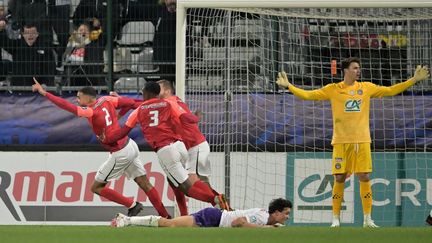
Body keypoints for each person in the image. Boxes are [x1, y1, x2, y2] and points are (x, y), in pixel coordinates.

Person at [276, 57, 430, 228]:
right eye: (355, 68)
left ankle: (367, 219)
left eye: (359, 68)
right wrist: (289, 86)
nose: (358, 70)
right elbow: (308, 95)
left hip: (362, 141)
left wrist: (414, 80)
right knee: (339, 178)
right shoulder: (333, 89)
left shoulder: (366, 87)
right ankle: (335, 219)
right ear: (346, 70)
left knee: (364, 176)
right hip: (341, 142)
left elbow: (391, 90)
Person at [31, 79, 171, 218]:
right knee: (144, 183)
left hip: (120, 152)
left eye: (79, 97)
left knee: (96, 187)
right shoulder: (107, 100)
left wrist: (45, 93)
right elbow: (131, 103)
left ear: (88, 97)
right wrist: (152, 104)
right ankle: (165, 217)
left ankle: (132, 205)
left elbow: (68, 106)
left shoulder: (91, 111)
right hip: (130, 145)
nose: (77, 100)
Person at [105, 82, 231, 211]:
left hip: (175, 149)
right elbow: (186, 118)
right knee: (174, 182)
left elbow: (124, 128)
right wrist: (196, 117)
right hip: (181, 146)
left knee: (188, 187)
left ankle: (216, 200)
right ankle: (186, 214)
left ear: (148, 93)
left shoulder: (142, 109)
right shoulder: (170, 103)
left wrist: (108, 138)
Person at [158, 79, 220, 215]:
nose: (157, 91)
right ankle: (219, 207)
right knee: (178, 181)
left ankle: (219, 202)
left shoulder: (169, 102)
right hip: (189, 148)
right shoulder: (175, 101)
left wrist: (195, 118)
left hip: (195, 146)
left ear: (167, 91)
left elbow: (186, 118)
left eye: (160, 89)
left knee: (190, 182)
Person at [111, 197, 292, 228]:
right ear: (275, 213)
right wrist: (266, 230)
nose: (287, 217)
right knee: (171, 224)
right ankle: (127, 221)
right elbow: (239, 223)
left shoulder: (268, 220)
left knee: (171, 224)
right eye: (285, 213)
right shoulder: (262, 217)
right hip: (213, 218)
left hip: (216, 218)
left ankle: (128, 221)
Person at [0, 22, 55, 86]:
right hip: (18, 88)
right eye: (27, 33)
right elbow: (4, 42)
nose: (30, 35)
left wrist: (46, 83)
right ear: (23, 34)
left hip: (38, 89)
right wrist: (1, 30)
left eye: (32, 33)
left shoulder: (46, 49)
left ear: (37, 34)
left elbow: (50, 69)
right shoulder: (17, 45)